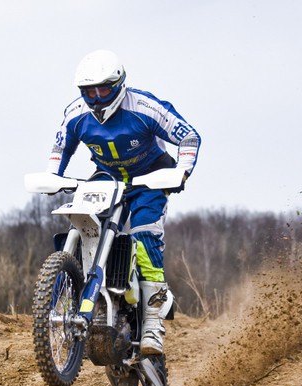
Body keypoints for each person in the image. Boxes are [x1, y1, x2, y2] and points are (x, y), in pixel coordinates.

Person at [46, 50, 201, 355]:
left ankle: (154, 322)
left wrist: (181, 172)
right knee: (84, 220)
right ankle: (81, 295)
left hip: (150, 177)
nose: (97, 97)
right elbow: (60, 146)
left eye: (104, 89)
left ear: (119, 85)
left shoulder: (145, 107)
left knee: (145, 234)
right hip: (107, 176)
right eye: (90, 91)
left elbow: (189, 137)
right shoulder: (76, 113)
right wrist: (54, 175)